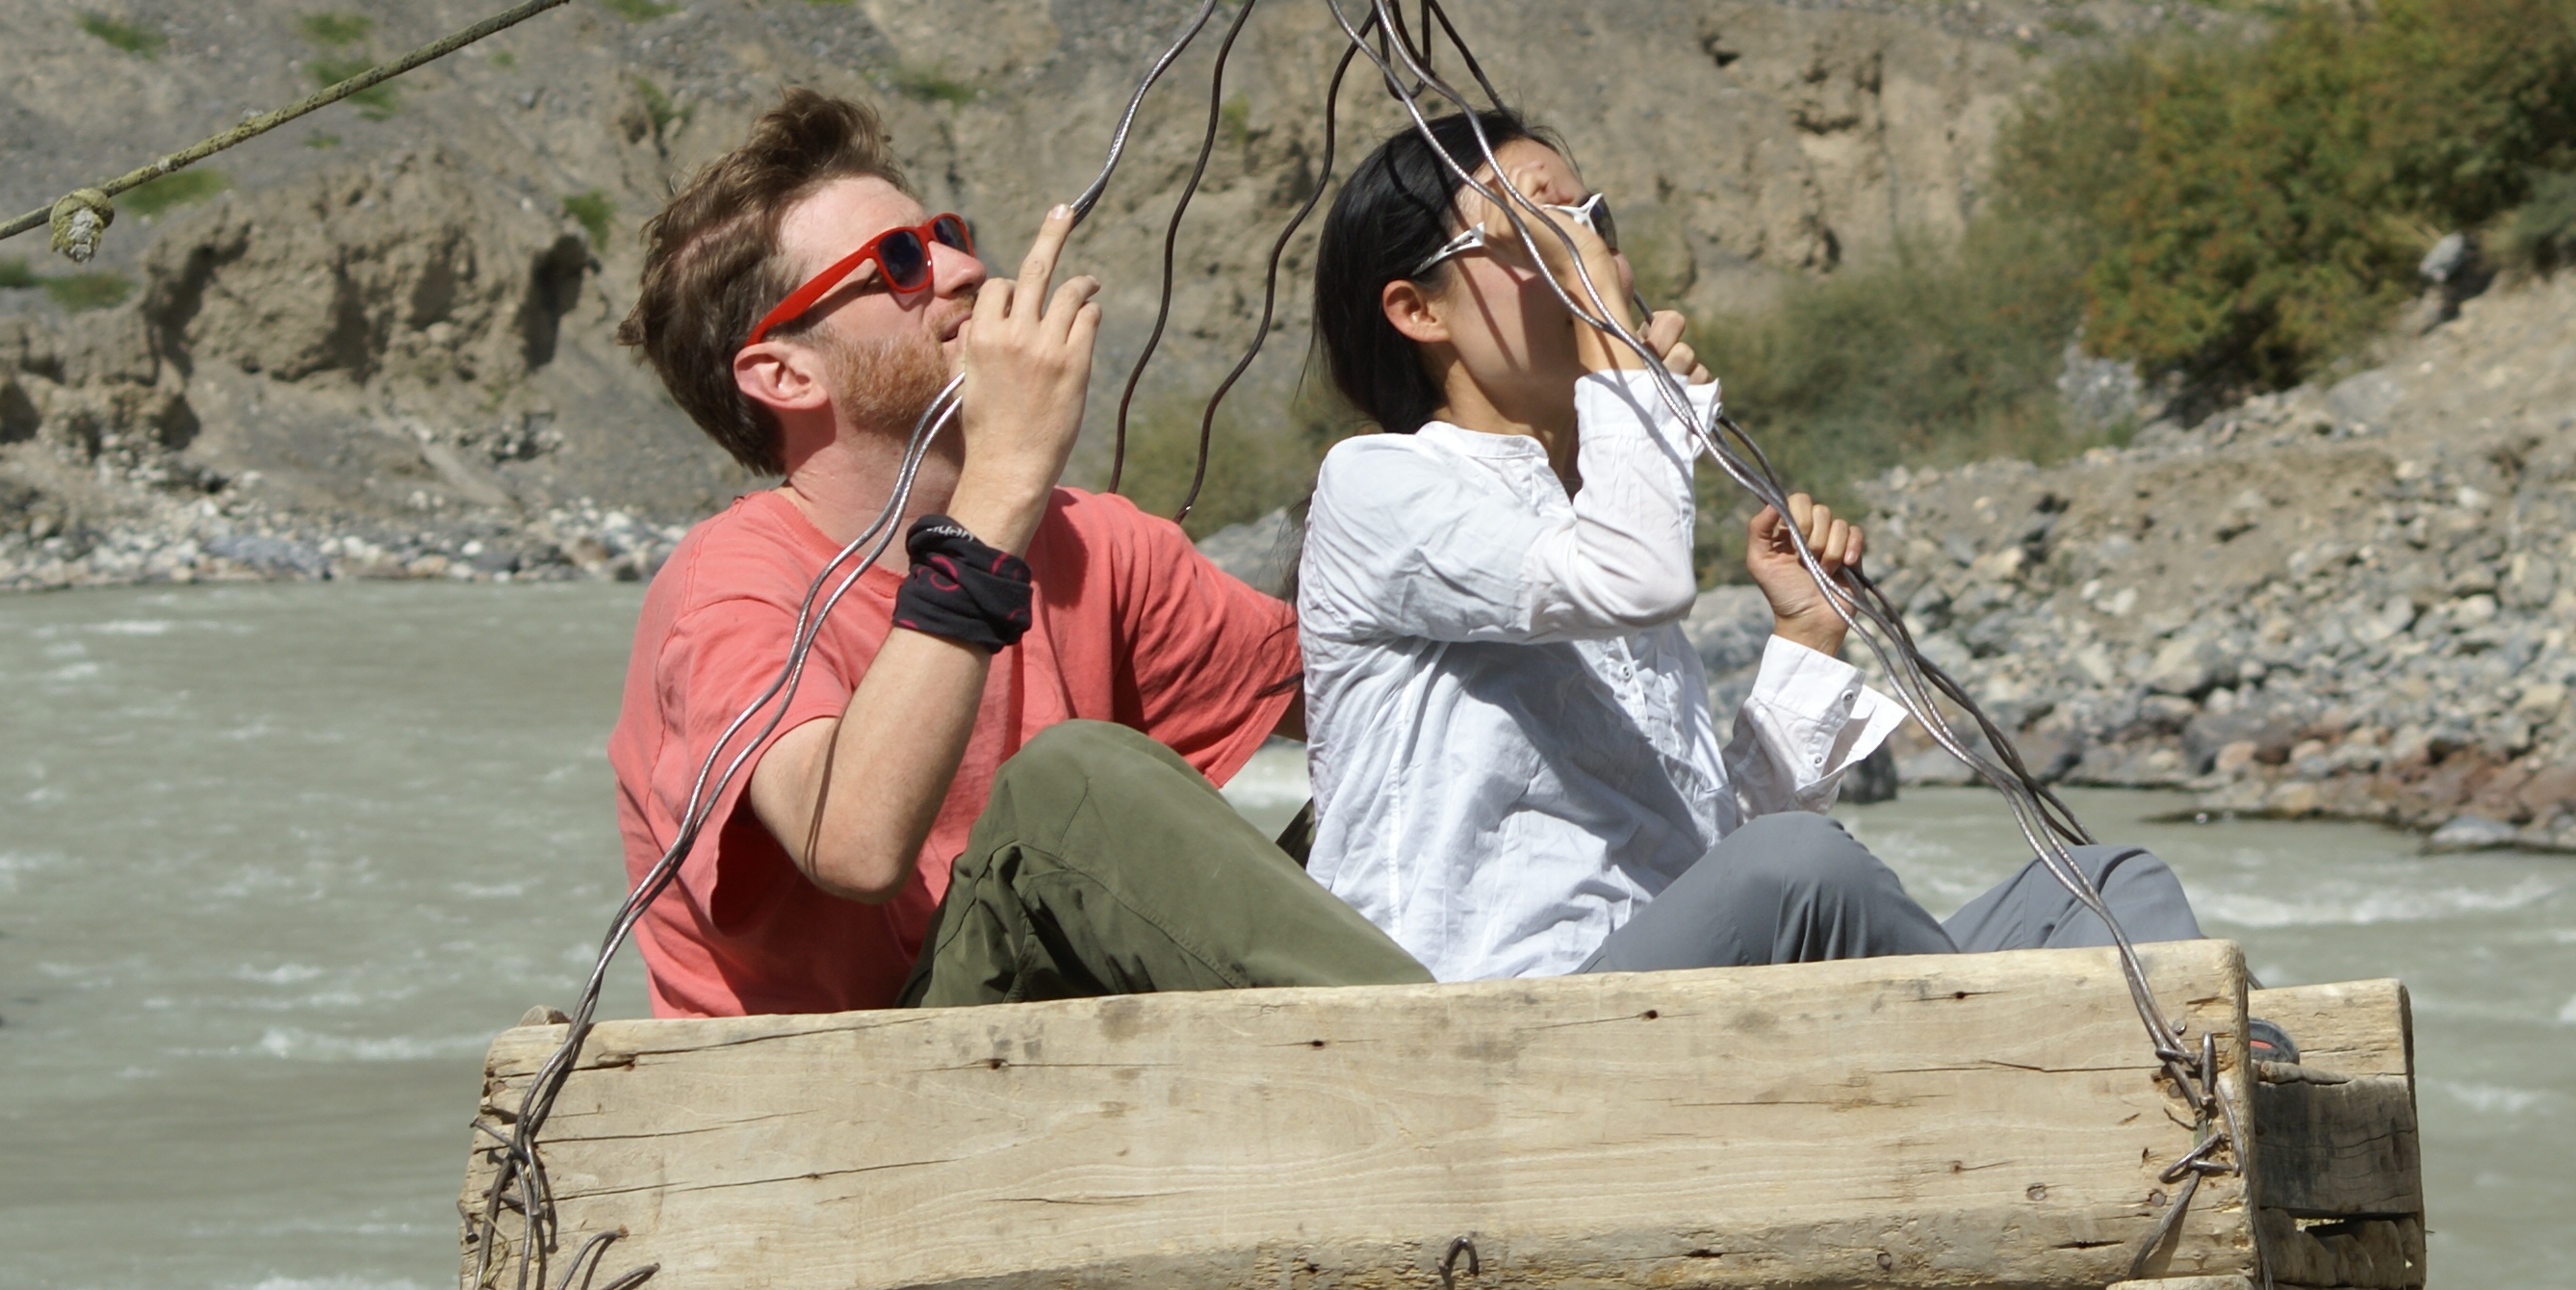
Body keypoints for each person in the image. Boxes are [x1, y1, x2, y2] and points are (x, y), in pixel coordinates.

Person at [1296, 109, 2209, 984]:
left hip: (1669, 992)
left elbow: (1714, 859)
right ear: (1419, 311)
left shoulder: (1598, 513)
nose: (1589, 255)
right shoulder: (1378, 484)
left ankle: (2227, 1062)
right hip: (1503, 1014)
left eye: (1593, 222)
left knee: (2106, 884)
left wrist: (1805, 639)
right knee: (1799, 866)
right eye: (1536, 230)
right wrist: (1625, 366)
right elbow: (1635, 581)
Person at [603, 88, 1426, 1019]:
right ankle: (1459, 1060)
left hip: (1054, 1051)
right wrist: (1002, 484)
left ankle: (1479, 1029)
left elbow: (1388, 705)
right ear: (785, 374)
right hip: (850, 1081)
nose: (963, 269)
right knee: (1066, 793)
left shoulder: (1087, 539)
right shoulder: (728, 584)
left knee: (1430, 763)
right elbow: (852, 842)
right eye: (900, 261)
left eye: (947, 234)